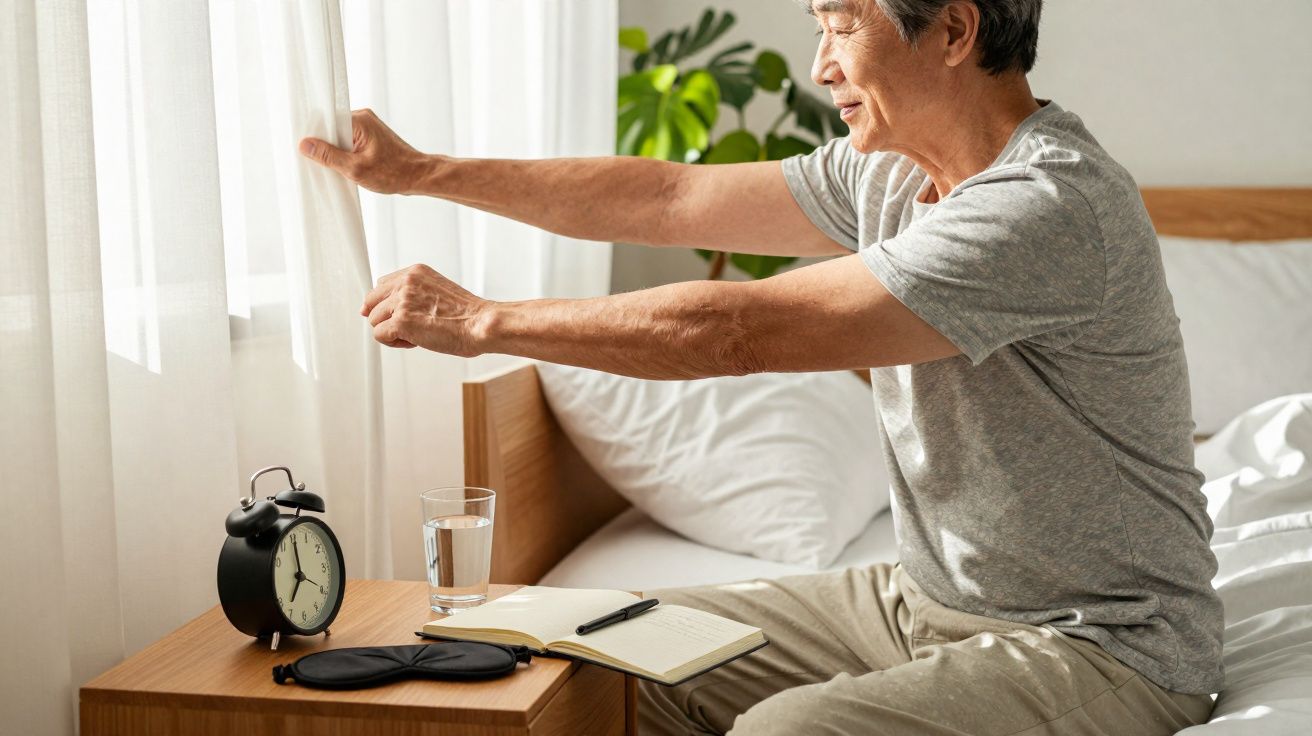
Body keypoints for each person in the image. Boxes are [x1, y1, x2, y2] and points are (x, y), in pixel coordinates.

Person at [300, 0, 1223, 732]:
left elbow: (737, 333)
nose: (822, 66)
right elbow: (672, 198)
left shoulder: (1045, 208)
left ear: (953, 29)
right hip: (919, 601)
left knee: (789, 732)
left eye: (841, 24)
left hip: (1100, 644)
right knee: (603, 651)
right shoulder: (892, 172)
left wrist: (484, 320)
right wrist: (428, 173)